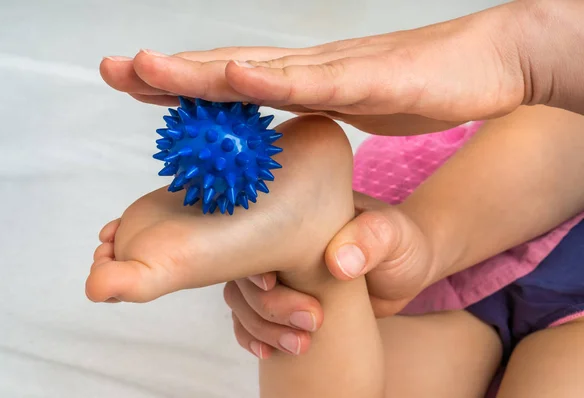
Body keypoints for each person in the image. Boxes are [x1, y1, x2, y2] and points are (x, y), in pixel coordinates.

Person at [88, 0, 584, 395]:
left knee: (359, 295)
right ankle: (349, 251)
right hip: (505, 190)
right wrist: (528, 46)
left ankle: (314, 252)